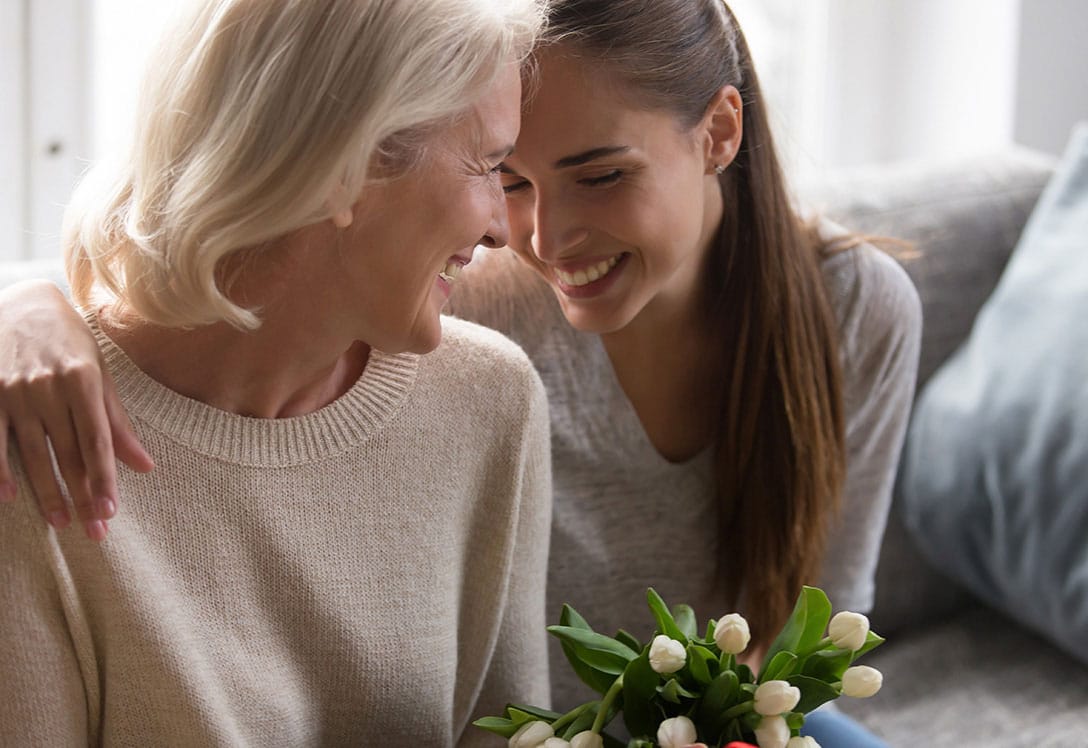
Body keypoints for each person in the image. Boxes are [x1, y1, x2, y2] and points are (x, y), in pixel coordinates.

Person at [0, 1, 920, 745]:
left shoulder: (852, 311)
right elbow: (245, 271)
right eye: (506, 175)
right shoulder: (456, 312)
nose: (533, 241)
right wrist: (23, 306)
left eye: (600, 175)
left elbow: (818, 630)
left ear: (720, 133)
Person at [0, 0, 553, 745]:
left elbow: (513, 732)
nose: (500, 225)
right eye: (487, 165)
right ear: (347, 165)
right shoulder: (37, 434)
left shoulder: (491, 402)